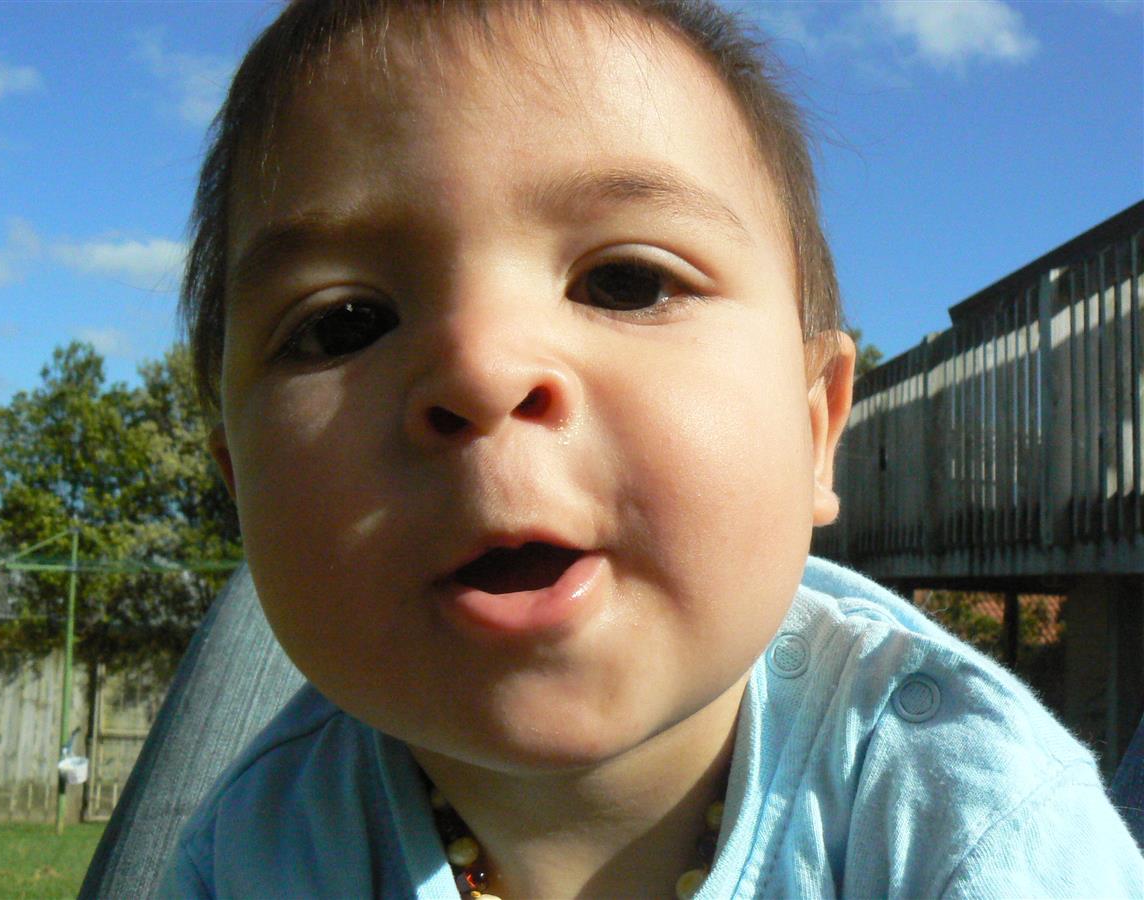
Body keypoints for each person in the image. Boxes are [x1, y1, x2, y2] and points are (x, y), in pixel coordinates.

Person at [159, 0, 1144, 896]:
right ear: (239, 489)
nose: (480, 371)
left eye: (625, 282)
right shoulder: (254, 857)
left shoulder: (972, 825)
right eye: (342, 324)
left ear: (815, 428)